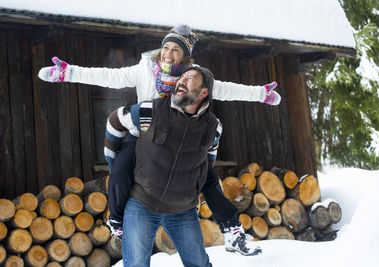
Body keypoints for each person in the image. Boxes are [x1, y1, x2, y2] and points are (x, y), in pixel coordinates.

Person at [38, 24, 280, 256]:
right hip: (144, 136)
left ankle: (233, 231)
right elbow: (108, 76)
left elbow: (226, 90)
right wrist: (67, 72)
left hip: (180, 139)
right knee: (120, 169)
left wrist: (260, 93)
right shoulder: (144, 69)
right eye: (166, 48)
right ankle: (117, 220)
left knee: (206, 176)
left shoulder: (191, 78)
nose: (168, 54)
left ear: (185, 57)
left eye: (176, 50)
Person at [111, 65, 225, 266]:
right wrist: (114, 160)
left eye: (190, 78)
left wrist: (195, 184)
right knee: (136, 264)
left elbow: (208, 162)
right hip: (142, 203)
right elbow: (115, 120)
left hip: (183, 209)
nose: (182, 81)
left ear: (204, 92)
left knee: (199, 264)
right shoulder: (151, 110)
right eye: (182, 77)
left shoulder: (213, 126)